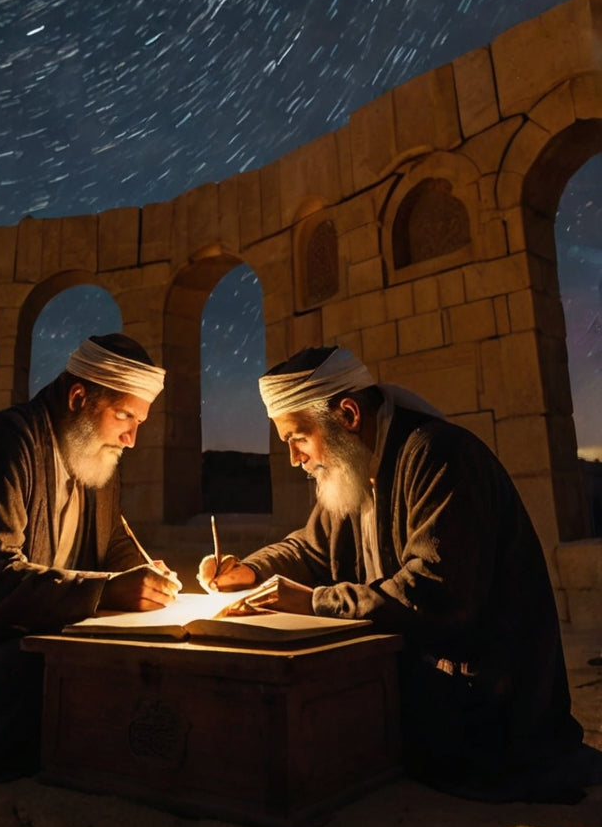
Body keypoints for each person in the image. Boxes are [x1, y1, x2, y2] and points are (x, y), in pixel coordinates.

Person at [198, 344, 598, 803]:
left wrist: (313, 601)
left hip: (486, 705)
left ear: (347, 414)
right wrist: (248, 571)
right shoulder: (353, 468)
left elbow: (434, 591)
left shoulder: (437, 456)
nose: (295, 458)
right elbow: (308, 548)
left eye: (299, 438)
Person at [0, 333, 180, 783]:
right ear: (79, 396)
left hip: (31, 634)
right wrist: (107, 590)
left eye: (139, 421)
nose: (131, 437)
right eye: (124, 416)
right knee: (57, 674)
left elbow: (115, 544)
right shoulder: (6, 442)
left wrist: (149, 577)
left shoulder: (94, 457)